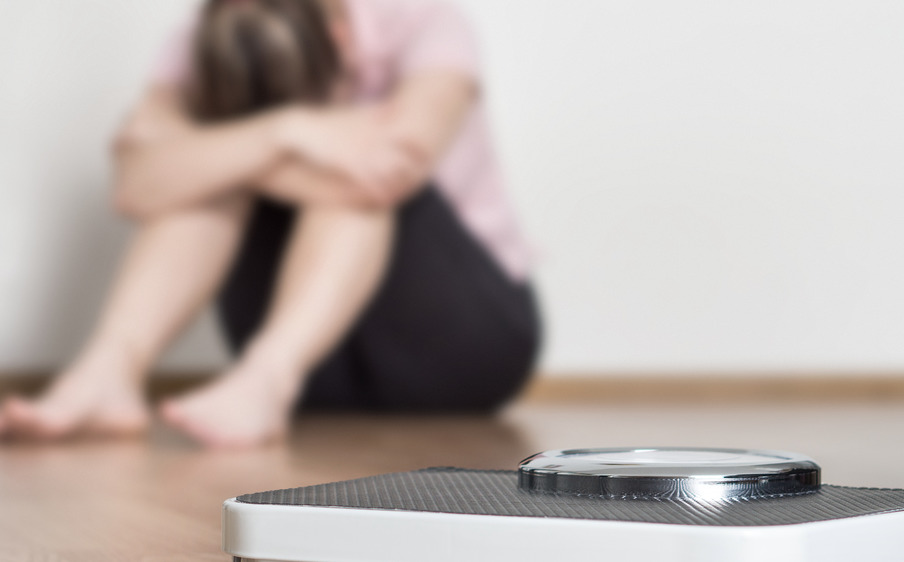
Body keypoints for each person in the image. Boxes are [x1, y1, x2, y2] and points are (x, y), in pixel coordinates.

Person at [0, 0, 540, 447]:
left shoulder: (423, 22)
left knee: (351, 174)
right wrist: (283, 132)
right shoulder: (200, 40)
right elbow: (135, 185)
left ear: (341, 38)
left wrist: (238, 149)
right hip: (321, 376)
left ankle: (266, 377)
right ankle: (109, 370)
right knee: (207, 171)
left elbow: (390, 166)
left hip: (462, 348)